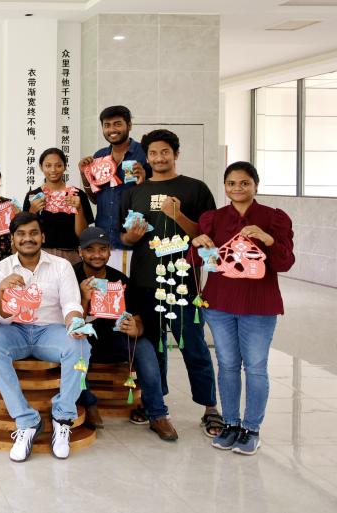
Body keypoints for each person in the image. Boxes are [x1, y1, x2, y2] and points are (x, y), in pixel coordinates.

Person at [120, 129, 222, 436]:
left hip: (182, 283)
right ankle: (155, 404)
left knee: (193, 345)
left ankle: (210, 407)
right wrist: (131, 237)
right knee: (153, 348)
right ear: (147, 157)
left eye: (165, 152)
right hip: (144, 281)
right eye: (153, 153)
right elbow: (125, 237)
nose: (159, 158)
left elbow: (207, 237)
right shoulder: (135, 191)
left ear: (175, 154)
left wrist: (178, 216)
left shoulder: (195, 189)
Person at [193, 161, 295, 455]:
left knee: (255, 367)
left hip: (259, 306)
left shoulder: (273, 218)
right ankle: (230, 423)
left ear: (255, 185)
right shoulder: (213, 218)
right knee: (226, 365)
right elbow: (197, 261)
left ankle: (251, 428)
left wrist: (268, 239)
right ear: (225, 187)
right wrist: (197, 244)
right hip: (219, 305)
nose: (237, 188)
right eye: (231, 183)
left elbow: (285, 263)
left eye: (244, 183)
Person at [0, 212, 89, 462]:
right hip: (15, 330)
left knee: (80, 344)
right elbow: (2, 318)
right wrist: (2, 290)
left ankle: (63, 417)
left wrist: (74, 323)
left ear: (43, 236)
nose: (27, 238)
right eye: (21, 234)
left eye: (33, 233)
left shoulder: (61, 266)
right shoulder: (2, 268)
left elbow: (71, 303)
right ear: (12, 239)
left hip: (50, 331)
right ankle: (26, 420)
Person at [73, 227, 178, 440]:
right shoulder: (70, 277)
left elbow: (137, 319)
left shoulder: (120, 280)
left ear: (109, 251)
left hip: (115, 339)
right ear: (80, 251)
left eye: (102, 249)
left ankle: (157, 414)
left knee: (145, 347)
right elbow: (70, 326)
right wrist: (84, 298)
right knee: (71, 349)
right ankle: (88, 404)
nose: (97, 255)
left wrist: (135, 328)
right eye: (90, 249)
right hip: (82, 340)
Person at [78, 105, 151, 274]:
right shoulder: (99, 156)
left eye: (117, 124)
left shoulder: (144, 153)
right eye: (107, 125)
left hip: (135, 240)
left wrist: (144, 179)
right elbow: (96, 198)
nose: (112, 130)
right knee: (109, 287)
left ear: (129, 125)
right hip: (104, 243)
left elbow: (156, 193)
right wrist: (84, 174)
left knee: (133, 287)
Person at [24, 148, 94, 265]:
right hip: (40, 255)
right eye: (48, 165)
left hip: (71, 256)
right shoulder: (33, 196)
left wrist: (79, 209)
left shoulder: (77, 195)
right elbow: (26, 232)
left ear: (65, 166)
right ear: (41, 167)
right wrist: (32, 211)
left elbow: (83, 235)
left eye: (58, 165)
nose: (53, 170)